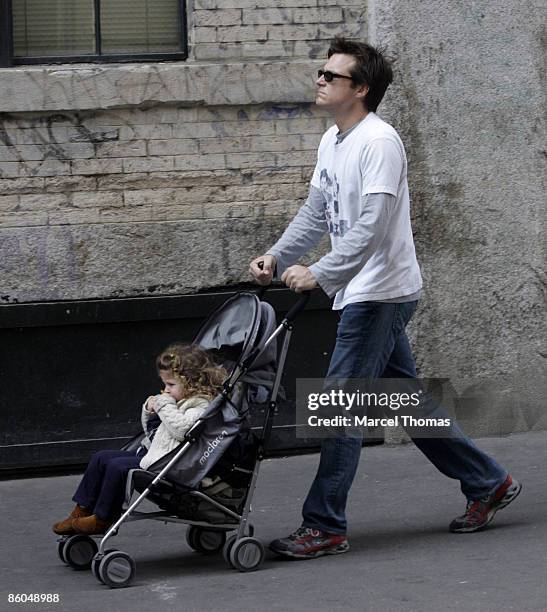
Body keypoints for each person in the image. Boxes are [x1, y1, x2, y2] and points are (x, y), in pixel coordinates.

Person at [249, 37, 521, 559]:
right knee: (406, 404)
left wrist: (322, 272)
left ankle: (324, 524)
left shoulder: (380, 141)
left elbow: (372, 225)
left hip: (382, 292)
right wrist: (278, 257)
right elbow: (315, 214)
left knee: (339, 406)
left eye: (332, 75)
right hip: (359, 289)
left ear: (362, 88)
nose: (320, 80)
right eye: (321, 72)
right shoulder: (334, 141)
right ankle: (489, 482)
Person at [52, 343, 226, 536]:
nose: (166, 390)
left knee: (118, 467)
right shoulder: (179, 400)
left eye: (171, 385)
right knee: (101, 457)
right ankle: (81, 510)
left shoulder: (200, 405)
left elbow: (182, 430)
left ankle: (102, 518)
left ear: (192, 382)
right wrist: (150, 411)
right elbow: (154, 432)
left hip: (170, 466)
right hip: (157, 455)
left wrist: (163, 404)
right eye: (165, 384)